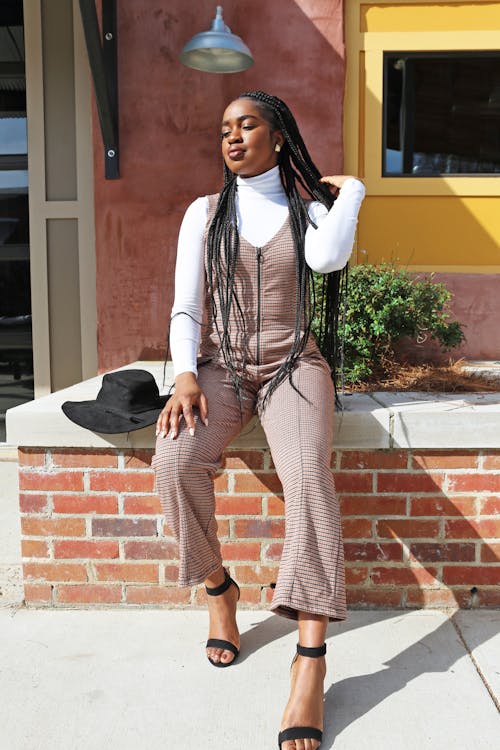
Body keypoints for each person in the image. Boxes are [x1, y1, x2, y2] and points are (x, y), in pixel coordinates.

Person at [153, 90, 365, 750]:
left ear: (278, 136)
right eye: (224, 129)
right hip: (224, 365)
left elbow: (329, 260)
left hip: (293, 364)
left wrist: (352, 189)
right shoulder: (204, 214)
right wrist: (185, 373)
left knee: (310, 484)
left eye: (247, 125)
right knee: (175, 460)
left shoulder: (308, 211)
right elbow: (187, 306)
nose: (233, 137)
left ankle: (310, 660)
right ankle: (219, 588)